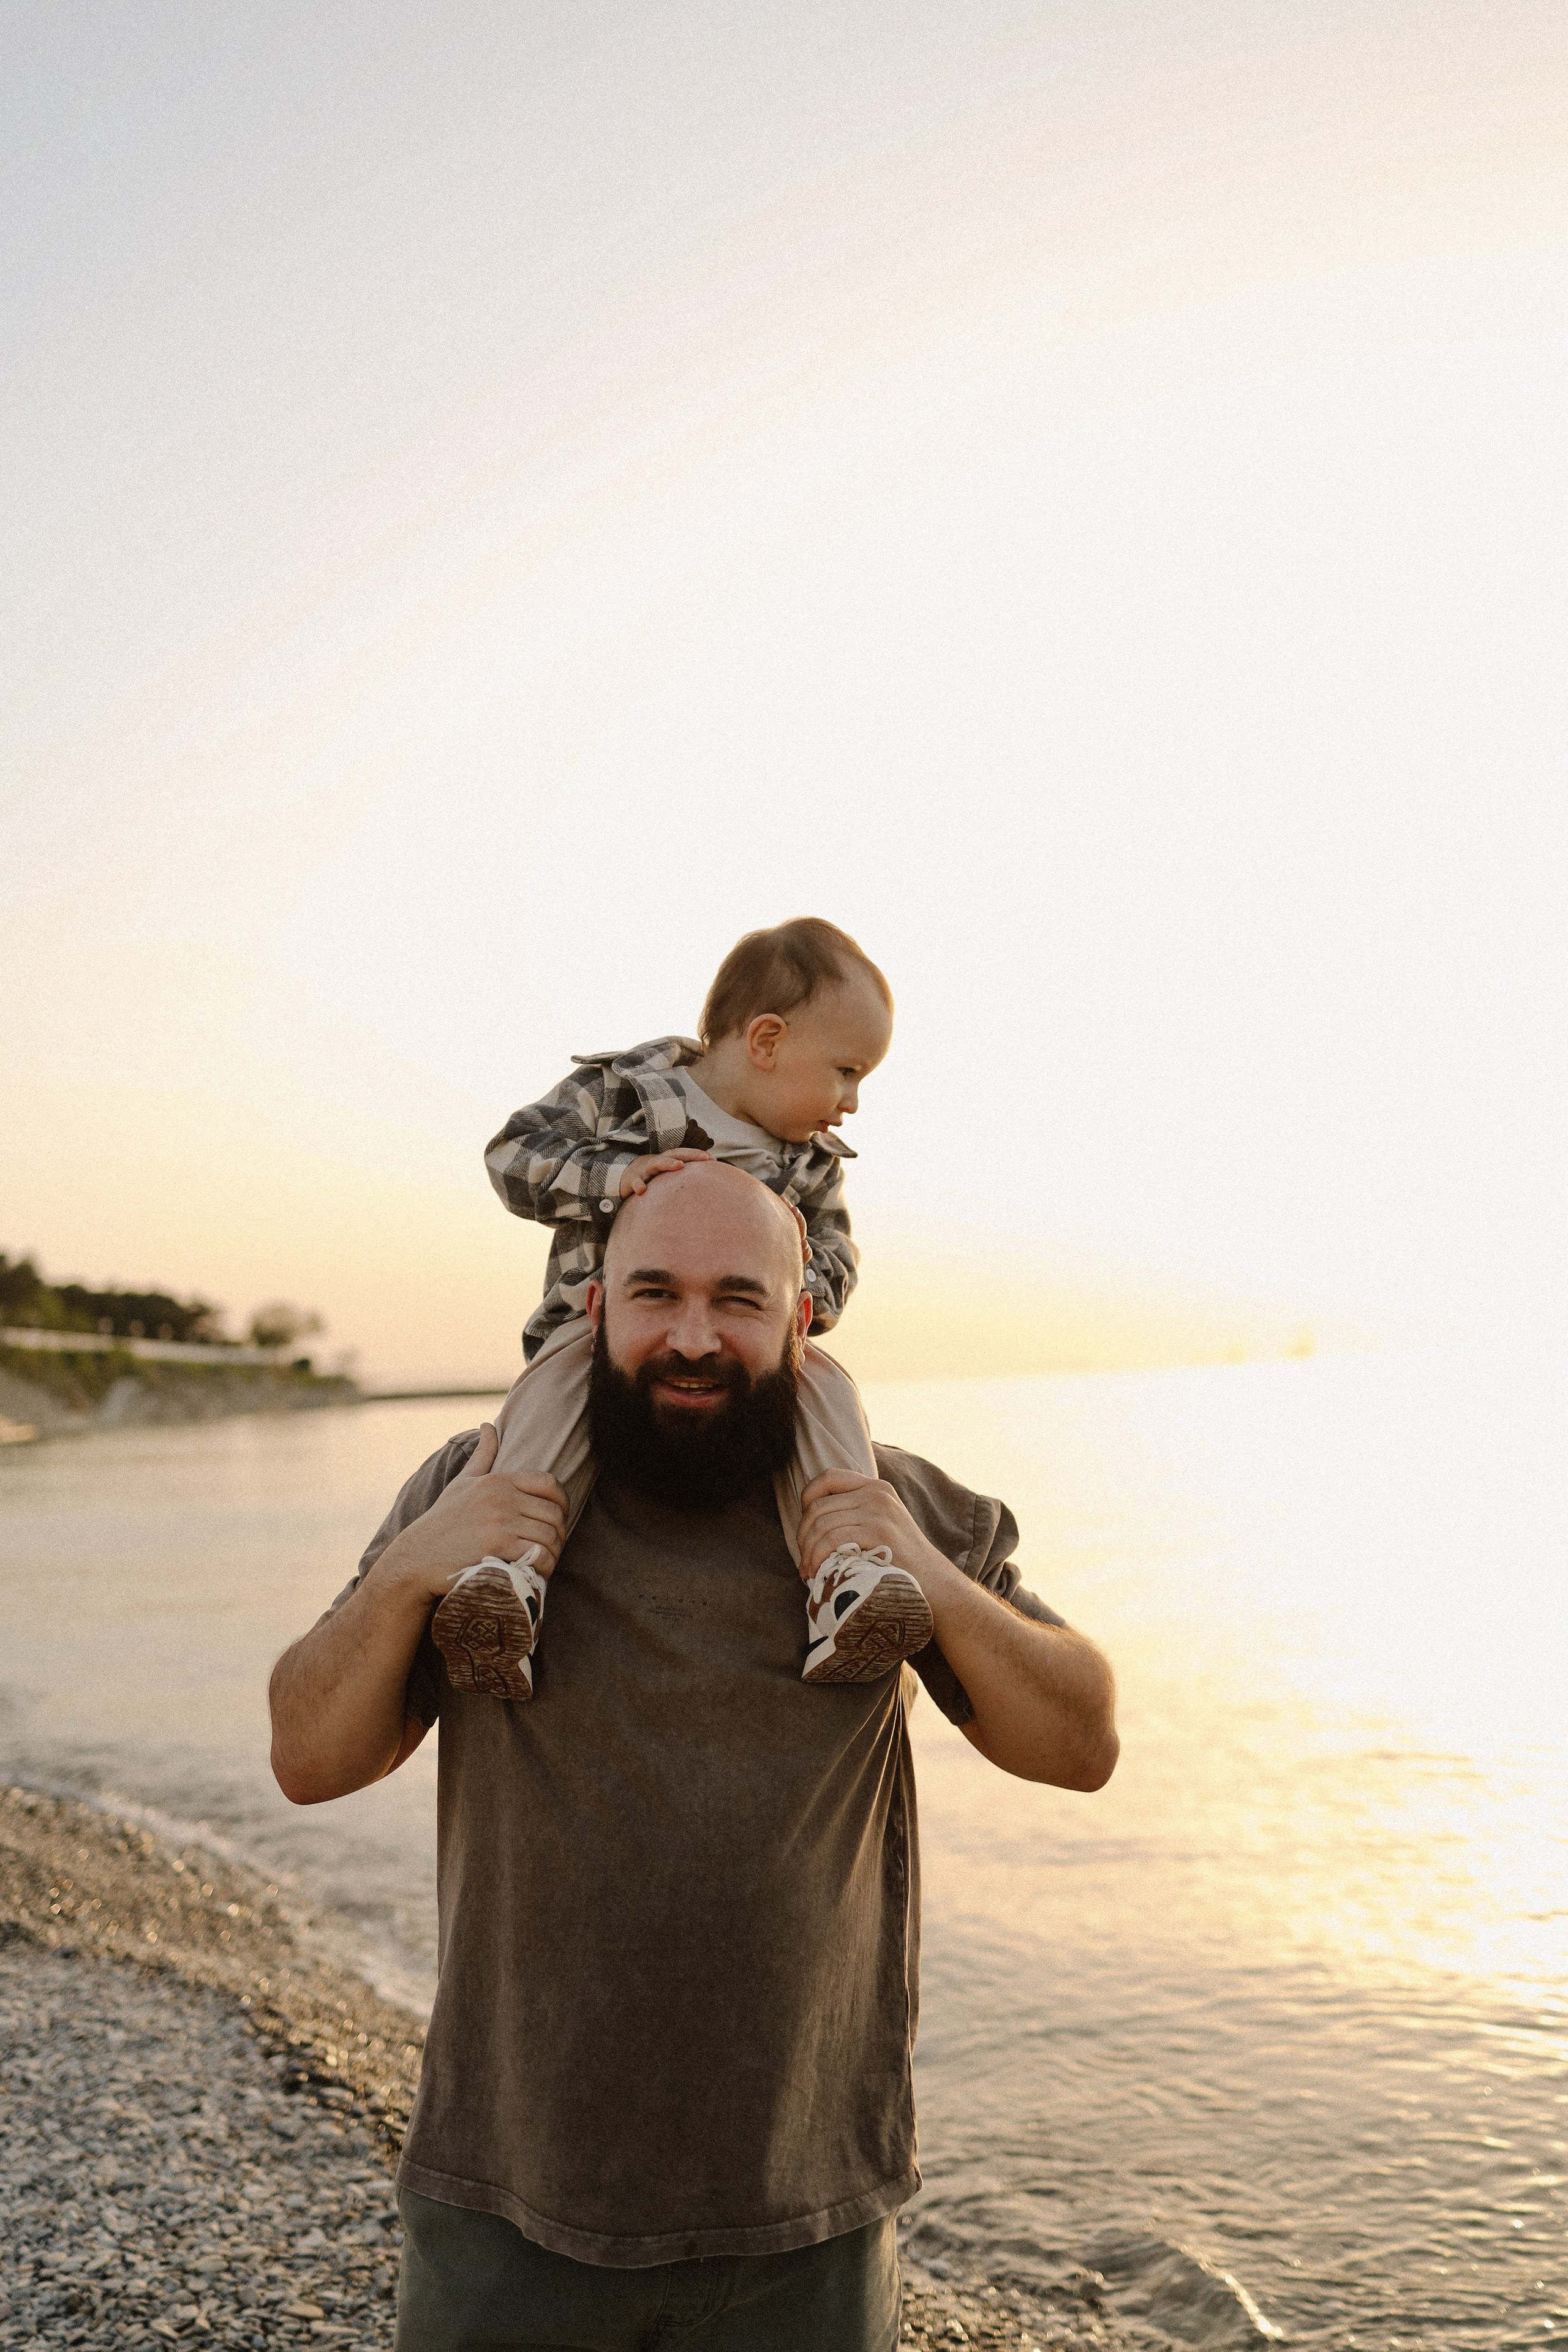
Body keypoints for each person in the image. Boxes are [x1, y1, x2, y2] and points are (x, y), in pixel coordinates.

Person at [269, 1161, 1120, 2352]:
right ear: (594, 1307)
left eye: (736, 1300)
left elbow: (1079, 1743)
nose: (691, 1337)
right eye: (655, 1293)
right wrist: (420, 1560)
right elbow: (308, 1755)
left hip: (805, 2228)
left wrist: (922, 1577)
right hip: (510, 2214)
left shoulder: (871, 1512)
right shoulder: (488, 1504)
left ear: (800, 1322)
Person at [433, 916, 930, 1703]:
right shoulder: (622, 1093)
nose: (853, 1102)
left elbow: (836, 1265)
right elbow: (512, 1157)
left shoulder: (806, 1166)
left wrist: (787, 1262)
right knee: (547, 1405)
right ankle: (506, 1583)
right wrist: (616, 1177)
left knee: (830, 1392)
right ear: (765, 1041)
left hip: (758, 1357)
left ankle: (847, 1579)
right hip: (596, 1338)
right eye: (846, 1072)